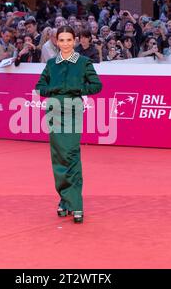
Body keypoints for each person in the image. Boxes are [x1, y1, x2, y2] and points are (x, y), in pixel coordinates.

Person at [35, 25, 103, 224]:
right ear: (56, 41)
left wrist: (76, 88)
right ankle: (65, 200)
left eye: (68, 40)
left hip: (73, 112)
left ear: (74, 41)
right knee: (58, 158)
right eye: (61, 40)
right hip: (54, 112)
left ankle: (76, 204)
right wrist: (55, 89)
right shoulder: (51, 64)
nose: (65, 43)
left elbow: (97, 85)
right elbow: (40, 88)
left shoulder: (83, 62)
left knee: (71, 155)